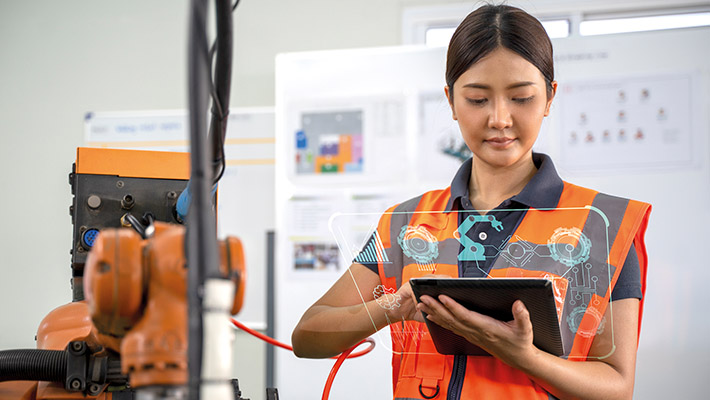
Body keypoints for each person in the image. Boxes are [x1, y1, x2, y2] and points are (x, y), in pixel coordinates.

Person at [291, 4, 651, 400]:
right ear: (451, 101)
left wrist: (522, 356)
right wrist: (393, 306)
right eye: (478, 100)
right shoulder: (404, 223)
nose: (499, 118)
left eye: (521, 98)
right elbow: (308, 337)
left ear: (549, 98)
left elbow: (617, 388)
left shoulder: (602, 224)